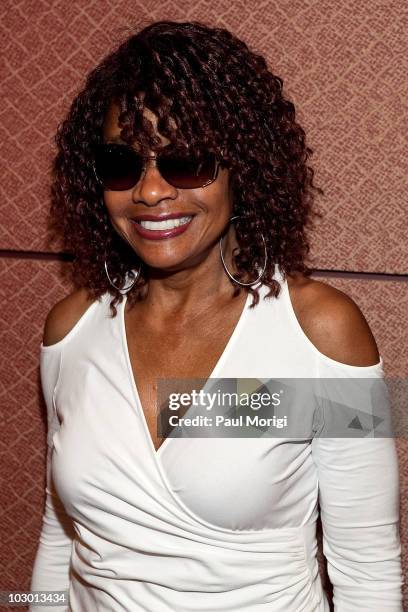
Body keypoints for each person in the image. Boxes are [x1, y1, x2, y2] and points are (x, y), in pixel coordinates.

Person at [29, 19, 404, 612]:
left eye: (185, 161)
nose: (150, 191)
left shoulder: (323, 332)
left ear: (242, 167)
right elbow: (62, 533)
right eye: (121, 164)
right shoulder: (70, 330)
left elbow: (368, 574)